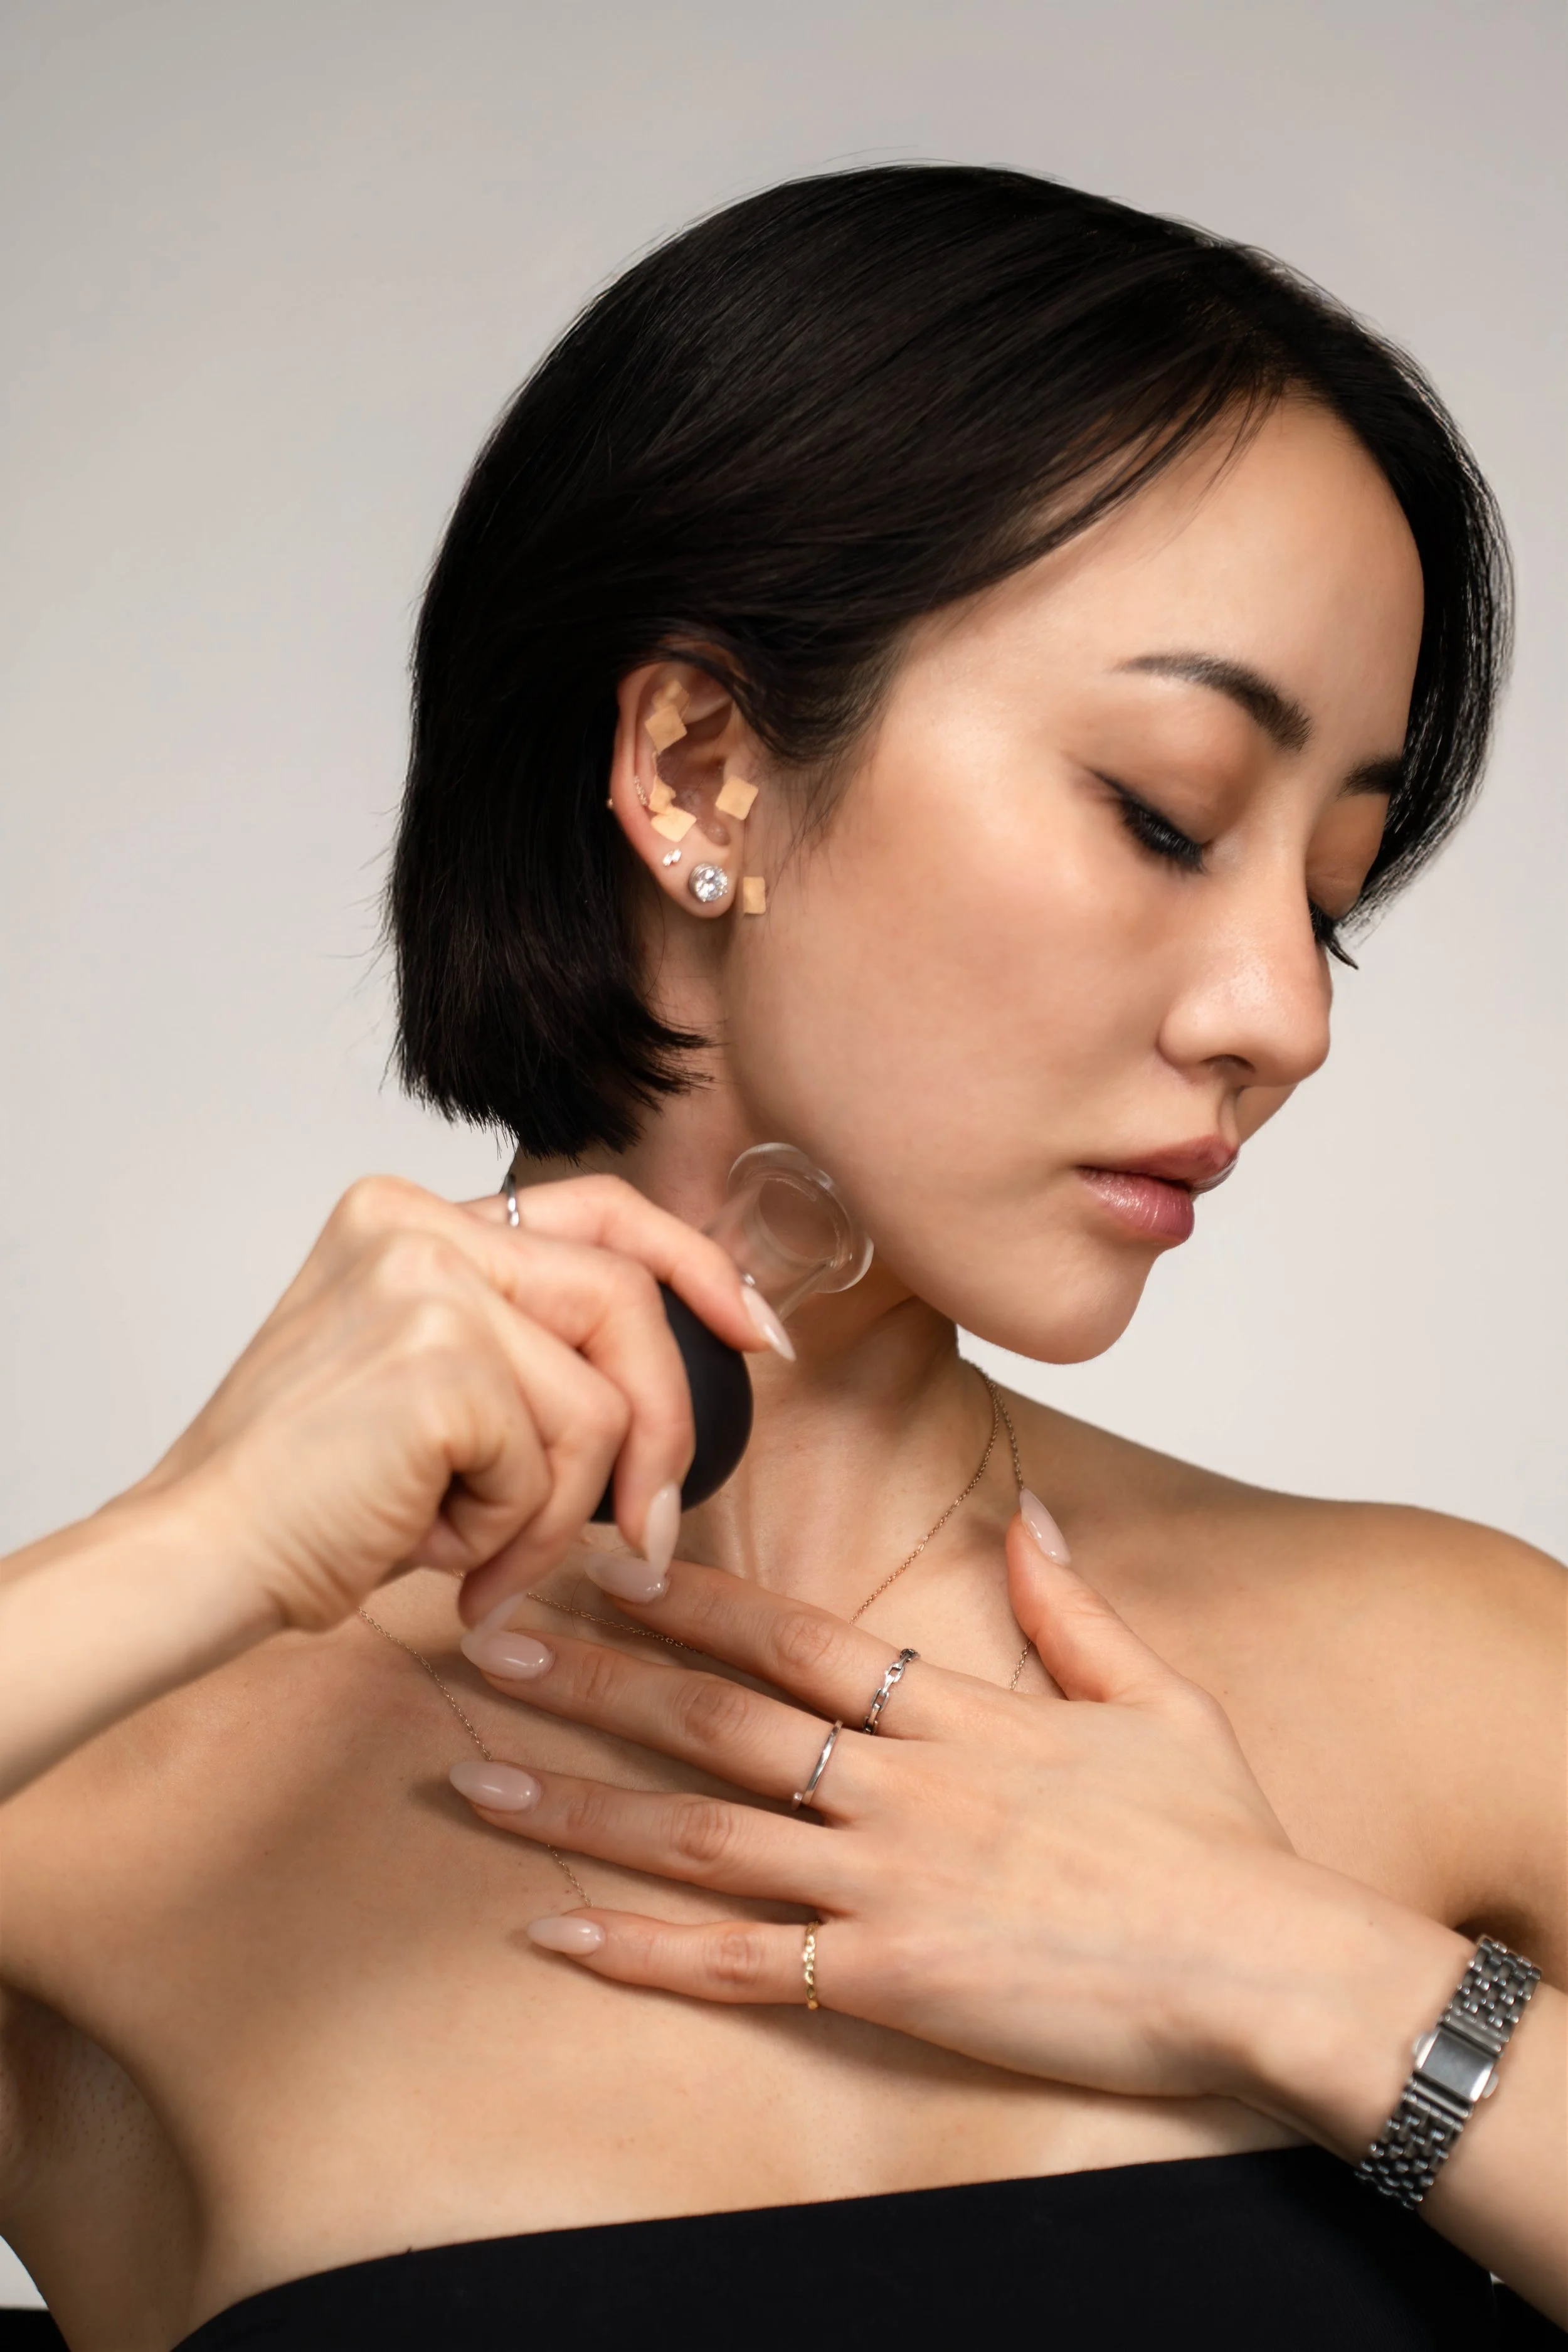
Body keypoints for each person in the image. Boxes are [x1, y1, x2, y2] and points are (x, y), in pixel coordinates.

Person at [0, 166, 1561, 2351]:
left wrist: (1301, 1976)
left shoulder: (1461, 1677)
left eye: (1332, 889)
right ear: (700, 767)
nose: (1280, 1013)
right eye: (1165, 812)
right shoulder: (102, 1828)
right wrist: (191, 1547)